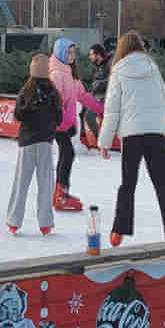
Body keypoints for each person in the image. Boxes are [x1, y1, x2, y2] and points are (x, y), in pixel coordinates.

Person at [98, 32, 165, 245]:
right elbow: (164, 99)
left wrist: (104, 142)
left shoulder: (118, 71)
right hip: (155, 133)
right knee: (164, 184)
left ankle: (119, 229)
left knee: (128, 183)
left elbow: (112, 110)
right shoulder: (153, 68)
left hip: (132, 134)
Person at [7, 55, 62, 236]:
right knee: (46, 183)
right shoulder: (53, 92)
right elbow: (59, 118)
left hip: (28, 142)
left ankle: (14, 221)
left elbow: (19, 115)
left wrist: (30, 109)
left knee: (21, 182)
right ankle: (45, 223)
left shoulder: (26, 91)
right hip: (45, 142)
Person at [48, 37, 105, 212]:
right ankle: (60, 195)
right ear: (60, 52)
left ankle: (61, 193)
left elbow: (83, 96)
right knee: (67, 154)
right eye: (69, 52)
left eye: (73, 52)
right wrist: (65, 122)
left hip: (64, 125)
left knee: (67, 155)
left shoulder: (70, 74)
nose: (72, 56)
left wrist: (101, 109)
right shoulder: (56, 74)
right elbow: (55, 103)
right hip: (58, 124)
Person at [80, 45, 113, 148]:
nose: (90, 57)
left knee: (89, 116)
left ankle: (101, 142)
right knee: (82, 106)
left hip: (107, 98)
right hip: (98, 96)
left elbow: (114, 80)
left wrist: (99, 84)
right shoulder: (100, 66)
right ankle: (83, 138)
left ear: (98, 55)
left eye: (91, 54)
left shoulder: (110, 63)